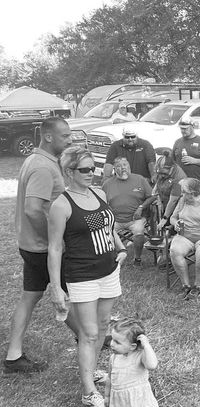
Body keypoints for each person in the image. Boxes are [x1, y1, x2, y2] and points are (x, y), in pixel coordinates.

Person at [48, 146, 127, 407]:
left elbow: (107, 225)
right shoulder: (62, 205)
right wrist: (57, 289)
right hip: (82, 275)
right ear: (69, 172)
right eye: (84, 169)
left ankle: (91, 371)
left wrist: (121, 248)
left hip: (108, 271)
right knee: (89, 333)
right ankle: (88, 390)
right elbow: (55, 248)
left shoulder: (99, 192)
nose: (91, 173)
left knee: (103, 325)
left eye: (93, 168)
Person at [3, 117, 75, 374]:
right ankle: (92, 340)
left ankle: (13, 357)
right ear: (48, 137)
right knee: (71, 297)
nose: (70, 140)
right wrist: (55, 240)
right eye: (65, 136)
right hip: (44, 249)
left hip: (31, 246)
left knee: (29, 297)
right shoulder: (43, 167)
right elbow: (33, 210)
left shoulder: (36, 160)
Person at [102, 157, 154, 266]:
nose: (123, 168)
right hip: (115, 220)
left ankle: (137, 259)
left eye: (125, 165)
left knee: (139, 232)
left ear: (129, 166)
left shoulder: (139, 179)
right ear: (114, 169)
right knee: (104, 234)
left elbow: (151, 197)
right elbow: (102, 203)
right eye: (119, 166)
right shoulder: (107, 184)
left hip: (136, 219)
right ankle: (113, 259)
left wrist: (141, 207)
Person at [105, 318, 158, 407]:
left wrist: (146, 345)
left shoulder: (140, 356)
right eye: (112, 339)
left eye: (117, 342)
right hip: (119, 401)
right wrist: (107, 396)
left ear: (132, 347)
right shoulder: (114, 358)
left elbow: (152, 365)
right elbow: (109, 378)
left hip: (138, 400)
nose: (111, 344)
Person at [172, 118, 200, 193]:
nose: (183, 131)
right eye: (181, 128)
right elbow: (173, 162)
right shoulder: (177, 142)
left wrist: (195, 161)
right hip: (181, 185)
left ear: (192, 127)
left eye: (185, 129)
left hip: (198, 185)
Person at [153, 149, 187, 227]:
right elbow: (158, 179)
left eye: (164, 173)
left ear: (172, 168)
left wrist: (164, 219)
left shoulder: (179, 178)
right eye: (159, 173)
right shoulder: (160, 165)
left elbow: (173, 201)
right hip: (165, 203)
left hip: (178, 209)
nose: (161, 176)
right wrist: (155, 190)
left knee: (172, 228)